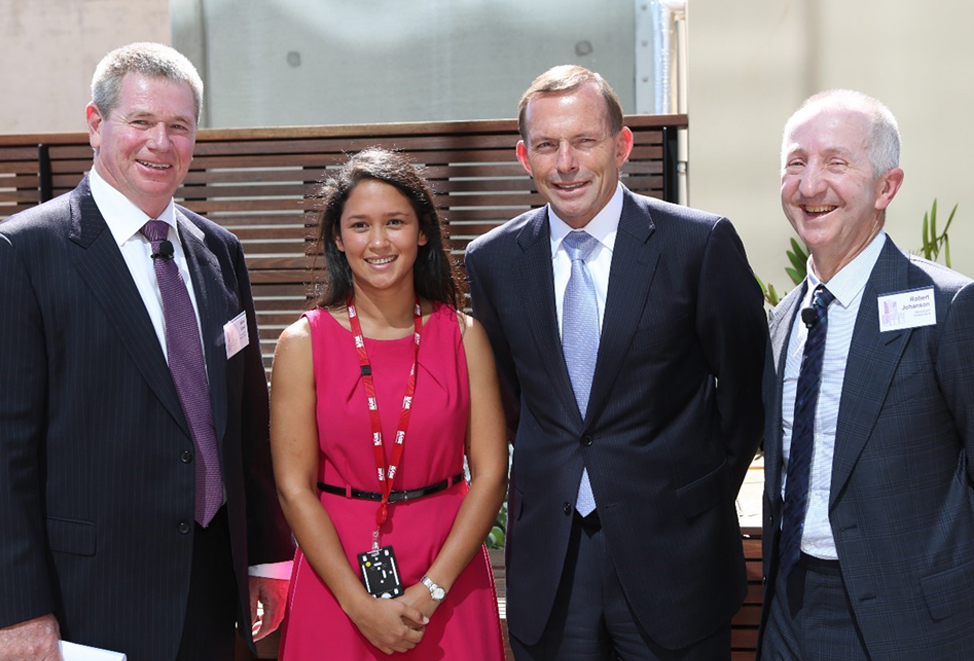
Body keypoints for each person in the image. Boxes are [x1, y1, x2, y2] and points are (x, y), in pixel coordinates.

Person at [0, 42, 294, 661]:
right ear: (94, 124)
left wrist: (266, 552)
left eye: (178, 126)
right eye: (141, 122)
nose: (161, 142)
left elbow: (244, 420)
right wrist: (18, 610)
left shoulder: (221, 251)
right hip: (92, 599)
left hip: (213, 587)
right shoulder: (24, 253)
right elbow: (6, 453)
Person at [464, 65, 767, 660]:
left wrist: (692, 499)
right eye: (547, 146)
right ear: (525, 157)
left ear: (622, 144)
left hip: (675, 556)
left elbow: (745, 393)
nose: (566, 163)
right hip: (552, 562)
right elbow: (511, 400)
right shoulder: (494, 260)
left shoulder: (697, 246)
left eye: (585, 141)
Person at [759, 89, 974, 660]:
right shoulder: (785, 318)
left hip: (908, 621)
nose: (809, 186)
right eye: (796, 163)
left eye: (836, 163)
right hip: (789, 607)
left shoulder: (947, 308)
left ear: (887, 186)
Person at [270, 147, 508, 660]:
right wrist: (358, 604)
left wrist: (432, 591)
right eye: (359, 225)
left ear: (421, 232)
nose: (378, 242)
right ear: (338, 237)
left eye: (395, 222)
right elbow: (294, 489)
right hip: (338, 576)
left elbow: (491, 475)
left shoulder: (464, 337)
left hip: (450, 574)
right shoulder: (301, 345)